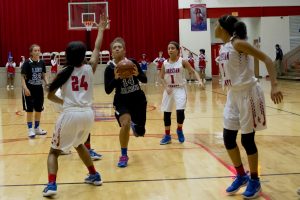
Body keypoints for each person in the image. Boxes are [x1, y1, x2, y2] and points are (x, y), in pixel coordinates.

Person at [215, 15, 283, 199]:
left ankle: (254, 179)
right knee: (228, 138)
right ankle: (241, 176)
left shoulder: (238, 43)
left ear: (223, 28)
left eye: (216, 24)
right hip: (233, 94)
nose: (214, 27)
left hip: (249, 93)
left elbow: (268, 59)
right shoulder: (224, 47)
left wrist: (275, 85)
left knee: (247, 140)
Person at [42, 16, 109, 197]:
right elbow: (96, 49)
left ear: (67, 55)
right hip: (87, 114)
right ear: (82, 56)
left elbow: (49, 96)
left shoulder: (63, 73)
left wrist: (66, 103)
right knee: (79, 144)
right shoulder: (89, 69)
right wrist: (101, 29)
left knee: (53, 152)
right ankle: (94, 175)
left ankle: (51, 185)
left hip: (70, 114)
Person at [104, 37, 147, 168]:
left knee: (140, 133)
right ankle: (124, 154)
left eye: (119, 47)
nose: (117, 49)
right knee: (125, 123)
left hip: (138, 99)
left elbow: (144, 80)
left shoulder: (132, 62)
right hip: (122, 101)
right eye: (114, 48)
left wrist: (138, 74)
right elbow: (107, 90)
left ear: (124, 50)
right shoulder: (110, 68)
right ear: (111, 52)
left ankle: (136, 126)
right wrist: (116, 78)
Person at [159, 41, 201, 145]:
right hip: (169, 90)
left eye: (173, 48)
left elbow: (193, 71)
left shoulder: (183, 61)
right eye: (169, 48)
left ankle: (179, 130)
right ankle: (167, 135)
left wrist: (199, 80)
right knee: (167, 113)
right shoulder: (164, 63)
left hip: (180, 89)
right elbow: (161, 77)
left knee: (180, 112)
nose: (170, 50)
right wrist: (166, 86)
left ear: (178, 50)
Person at [21, 45, 48, 138]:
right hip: (29, 89)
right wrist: (25, 88)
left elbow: (44, 75)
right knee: (29, 110)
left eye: (39, 50)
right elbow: (23, 77)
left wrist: (47, 84)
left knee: (39, 109)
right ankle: (30, 129)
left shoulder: (42, 62)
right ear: (31, 52)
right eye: (35, 50)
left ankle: (37, 128)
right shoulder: (27, 63)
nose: (37, 52)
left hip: (39, 89)